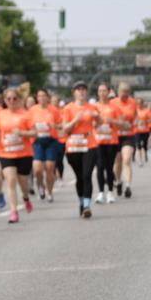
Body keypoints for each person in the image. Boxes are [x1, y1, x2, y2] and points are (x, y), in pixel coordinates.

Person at [60, 81, 99, 218]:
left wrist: (98, 118)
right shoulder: (68, 108)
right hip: (73, 146)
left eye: (83, 89)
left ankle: (87, 206)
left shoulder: (92, 107)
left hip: (89, 144)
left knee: (87, 175)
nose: (81, 92)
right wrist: (75, 120)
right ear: (74, 93)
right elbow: (65, 129)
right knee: (79, 177)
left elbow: (98, 125)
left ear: (86, 92)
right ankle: (82, 202)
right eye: (78, 89)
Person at [0, 88, 36, 223]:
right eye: (9, 99)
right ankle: (13, 211)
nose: (12, 101)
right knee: (11, 181)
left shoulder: (26, 115)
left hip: (24, 153)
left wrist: (22, 133)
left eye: (15, 98)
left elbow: (34, 133)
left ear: (20, 100)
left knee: (23, 182)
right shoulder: (0, 114)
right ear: (5, 100)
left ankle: (25, 197)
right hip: (6, 153)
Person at [29, 88, 62, 202]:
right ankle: (40, 185)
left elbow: (61, 125)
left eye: (44, 96)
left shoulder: (53, 110)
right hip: (37, 141)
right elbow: (27, 125)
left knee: (49, 167)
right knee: (37, 169)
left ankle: (49, 192)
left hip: (51, 141)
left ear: (48, 97)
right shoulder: (32, 110)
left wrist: (53, 126)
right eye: (39, 96)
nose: (42, 98)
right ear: (37, 98)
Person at [110, 82, 138, 198]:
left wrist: (134, 123)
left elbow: (135, 116)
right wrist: (119, 122)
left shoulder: (132, 102)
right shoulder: (112, 103)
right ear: (118, 92)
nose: (124, 95)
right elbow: (109, 118)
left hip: (128, 135)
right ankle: (118, 181)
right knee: (117, 162)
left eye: (126, 92)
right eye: (122, 92)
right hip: (116, 135)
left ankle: (128, 186)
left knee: (126, 160)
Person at [94, 83, 119, 204]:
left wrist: (112, 121)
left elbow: (122, 123)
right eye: (100, 91)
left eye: (104, 91)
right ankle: (100, 193)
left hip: (111, 141)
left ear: (109, 92)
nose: (102, 93)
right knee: (99, 166)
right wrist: (94, 124)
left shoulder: (114, 107)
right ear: (98, 93)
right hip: (97, 141)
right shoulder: (94, 107)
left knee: (109, 167)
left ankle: (110, 192)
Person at [134, 98, 151, 167]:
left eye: (140, 103)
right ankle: (140, 160)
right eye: (138, 103)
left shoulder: (147, 111)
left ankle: (145, 152)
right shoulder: (134, 111)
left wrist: (145, 122)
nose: (139, 105)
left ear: (143, 103)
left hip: (145, 130)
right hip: (137, 130)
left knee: (144, 144)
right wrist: (136, 122)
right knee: (138, 144)